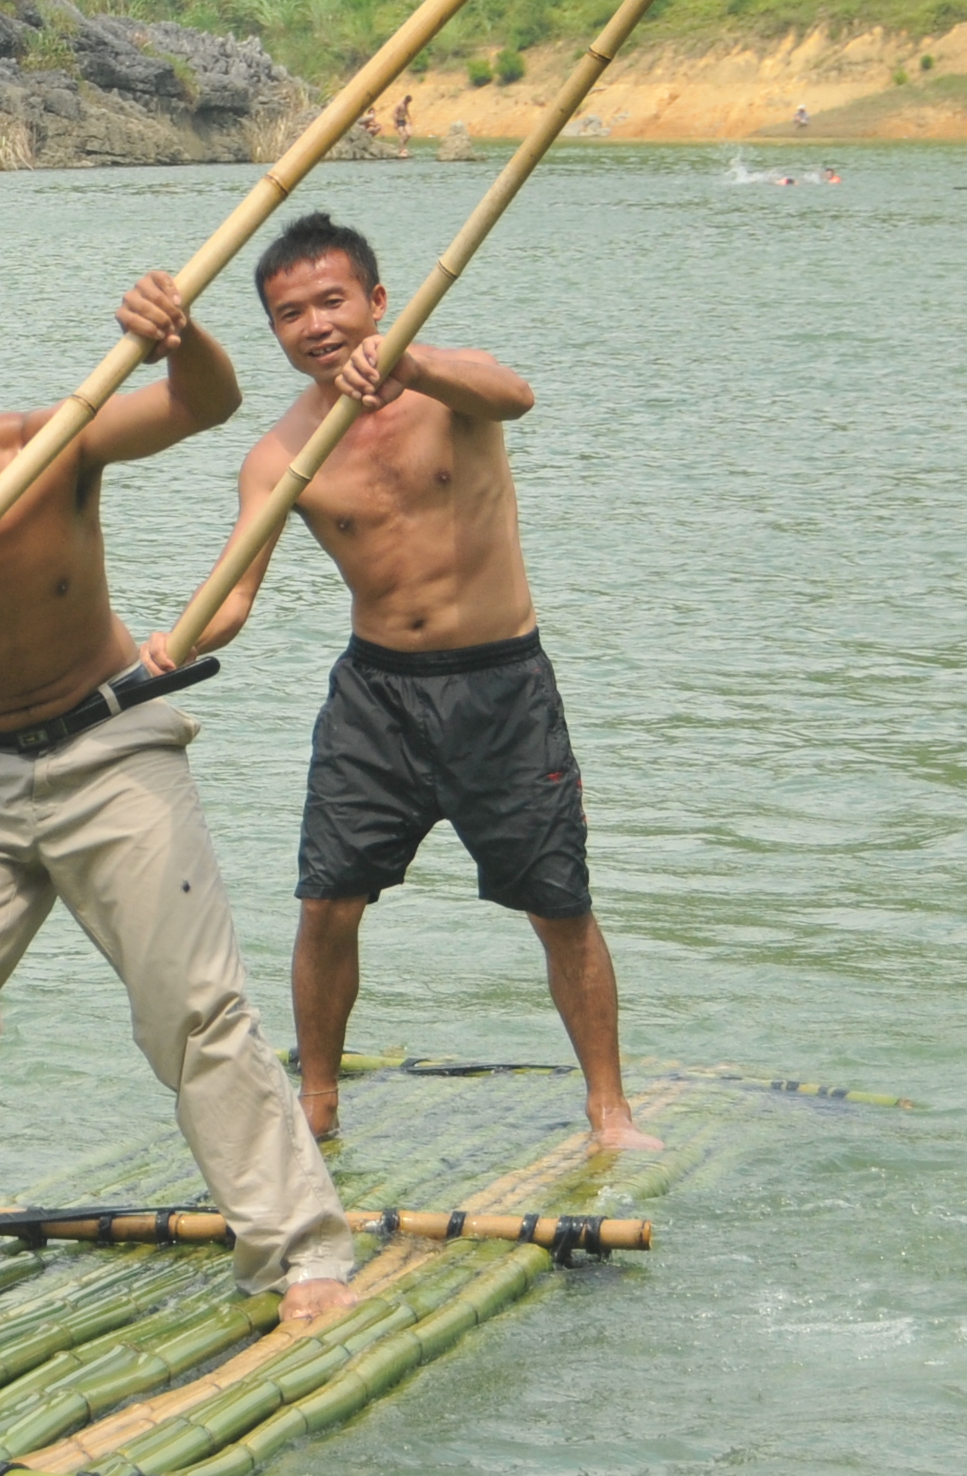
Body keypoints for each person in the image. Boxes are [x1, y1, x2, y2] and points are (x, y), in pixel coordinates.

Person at [0, 273, 356, 1335]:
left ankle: (298, 1250)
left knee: (192, 1006)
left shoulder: (50, 444)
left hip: (110, 749)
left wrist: (176, 339)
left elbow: (205, 405)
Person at [148, 214, 659, 1157]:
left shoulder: (447, 388)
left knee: (559, 902)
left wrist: (413, 364)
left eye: (333, 300)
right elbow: (233, 599)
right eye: (289, 314)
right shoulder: (281, 455)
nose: (316, 325)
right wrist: (164, 646)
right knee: (327, 902)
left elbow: (518, 395)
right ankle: (317, 1103)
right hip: (376, 696)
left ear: (377, 301)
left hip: (501, 683)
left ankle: (610, 1111)